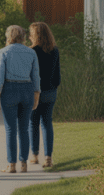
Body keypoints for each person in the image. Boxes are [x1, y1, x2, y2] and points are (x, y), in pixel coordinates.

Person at [0, 25, 40, 174]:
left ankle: (12, 165)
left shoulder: (4, 52)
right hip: (27, 90)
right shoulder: (31, 52)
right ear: (23, 37)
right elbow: (36, 75)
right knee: (24, 129)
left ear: (9, 37)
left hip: (10, 90)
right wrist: (36, 94)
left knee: (11, 129)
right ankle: (24, 163)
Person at [29, 21, 60, 168]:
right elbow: (57, 75)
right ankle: (48, 157)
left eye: (31, 33)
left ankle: (34, 155)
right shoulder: (54, 50)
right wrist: (54, 86)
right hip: (50, 91)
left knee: (33, 123)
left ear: (35, 35)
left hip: (34, 92)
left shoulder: (32, 51)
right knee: (47, 123)